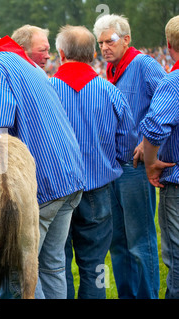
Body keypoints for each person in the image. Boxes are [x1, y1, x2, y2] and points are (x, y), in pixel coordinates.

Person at [0, 3, 85, 299]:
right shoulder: (26, 62)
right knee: (50, 268)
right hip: (69, 178)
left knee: (18, 275)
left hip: (40, 185)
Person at [50, 25, 137, 299]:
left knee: (55, 264)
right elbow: (127, 143)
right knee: (95, 265)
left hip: (56, 191)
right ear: (91, 54)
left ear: (61, 54)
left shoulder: (46, 90)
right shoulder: (110, 92)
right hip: (97, 191)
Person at [93, 14, 166, 299]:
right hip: (114, 167)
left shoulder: (144, 65)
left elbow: (170, 100)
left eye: (109, 41)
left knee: (140, 242)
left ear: (126, 39)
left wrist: (149, 140)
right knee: (118, 243)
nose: (104, 48)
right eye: (100, 43)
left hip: (136, 168)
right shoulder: (111, 71)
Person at [140, 15, 179, 299]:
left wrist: (151, 163)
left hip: (176, 181)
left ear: (168, 45)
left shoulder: (173, 82)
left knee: (177, 259)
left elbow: (154, 129)